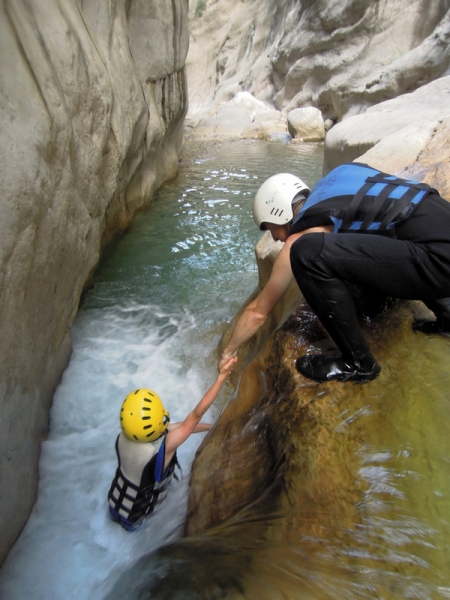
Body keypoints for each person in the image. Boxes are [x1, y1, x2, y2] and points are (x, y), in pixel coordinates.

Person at [218, 162, 450, 383]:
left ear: (279, 213)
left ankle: (359, 364)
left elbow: (259, 312)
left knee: (306, 254)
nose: (277, 237)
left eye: (271, 229)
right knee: (395, 227)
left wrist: (229, 351)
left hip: (441, 263)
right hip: (440, 221)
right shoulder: (340, 175)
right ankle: (446, 317)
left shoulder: (303, 232)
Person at [108, 357, 237, 530]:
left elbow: (182, 427)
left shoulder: (124, 436)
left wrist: (213, 427)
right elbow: (195, 415)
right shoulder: (164, 447)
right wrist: (221, 378)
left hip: (114, 505)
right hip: (138, 520)